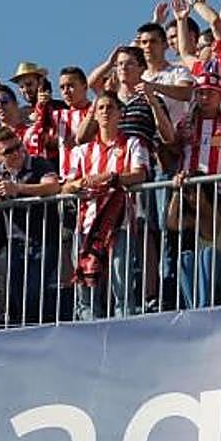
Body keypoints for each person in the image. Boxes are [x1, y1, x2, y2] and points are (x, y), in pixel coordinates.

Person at [62, 91, 151, 319]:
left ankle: (124, 328)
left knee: (121, 282)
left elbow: (140, 175)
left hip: (119, 223)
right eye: (100, 108)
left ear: (120, 113)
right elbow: (67, 186)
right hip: (86, 226)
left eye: (110, 107)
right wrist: (80, 183)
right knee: (86, 285)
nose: (104, 112)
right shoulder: (82, 151)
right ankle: (88, 329)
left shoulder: (133, 143)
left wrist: (112, 178)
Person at [165, 72, 221, 308]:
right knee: (185, 257)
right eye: (200, 92)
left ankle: (205, 303)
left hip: (219, 192)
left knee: (211, 252)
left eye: (210, 92)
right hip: (188, 194)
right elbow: (171, 149)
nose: (204, 97)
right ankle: (193, 306)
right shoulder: (186, 125)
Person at [0, 127, 63, 326]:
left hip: (43, 241)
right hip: (14, 243)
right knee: (10, 292)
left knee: (33, 293)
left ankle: (33, 333)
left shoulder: (38, 163)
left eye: (18, 147)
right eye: (8, 152)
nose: (16, 153)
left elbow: (53, 186)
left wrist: (19, 189)